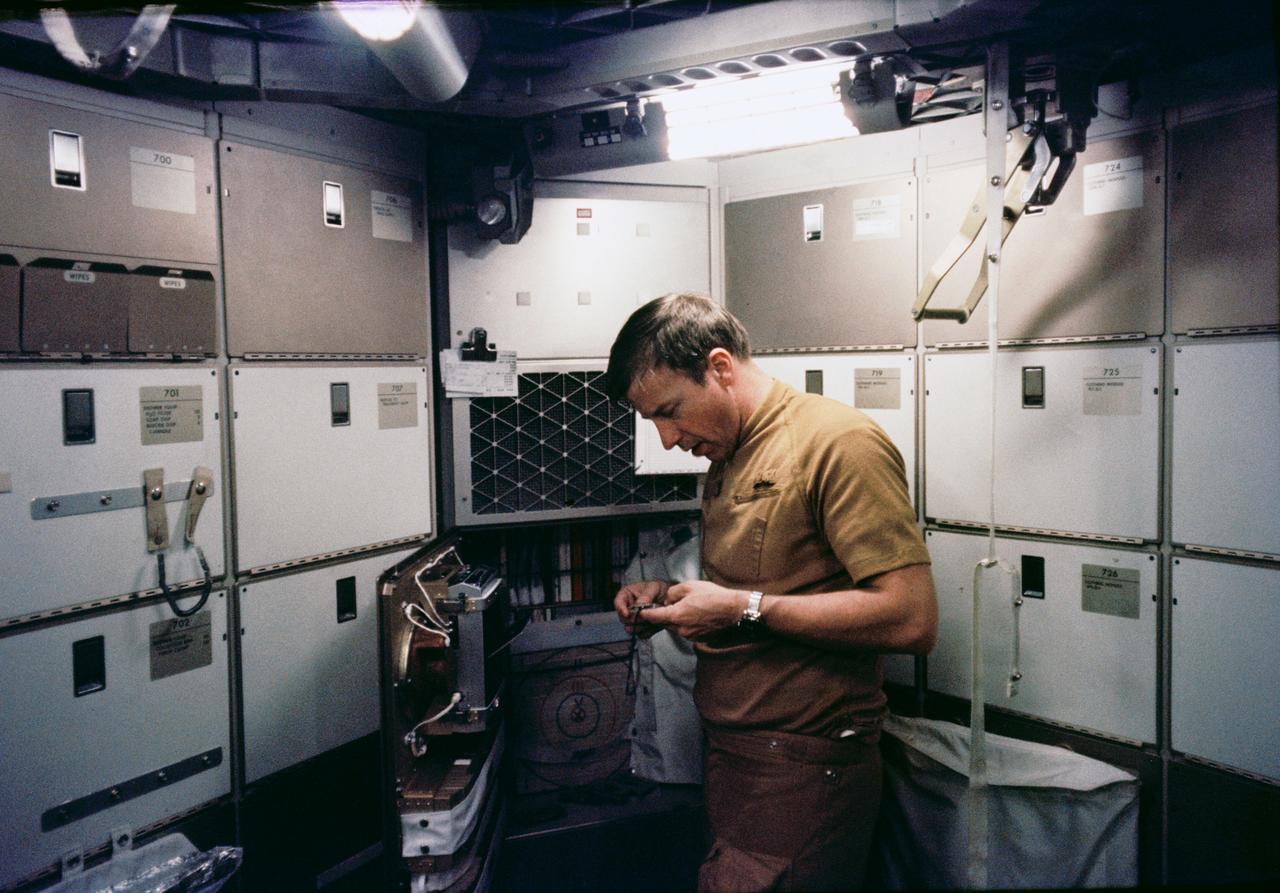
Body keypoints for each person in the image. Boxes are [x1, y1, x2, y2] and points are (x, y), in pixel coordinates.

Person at [607, 293, 937, 892]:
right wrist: (674, 598)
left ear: (721, 368)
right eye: (652, 419)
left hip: (806, 767)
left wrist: (742, 609)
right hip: (737, 760)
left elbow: (911, 618)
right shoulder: (730, 450)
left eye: (670, 411)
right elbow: (765, 583)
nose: (666, 439)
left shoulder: (837, 443)